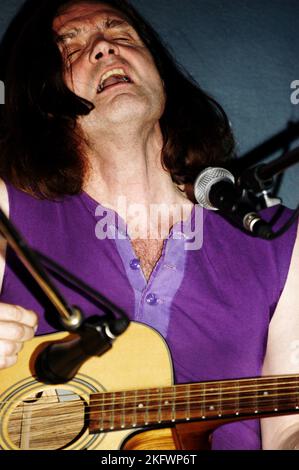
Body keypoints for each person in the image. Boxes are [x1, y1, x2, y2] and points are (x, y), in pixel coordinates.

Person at [0, 0, 298, 450]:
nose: (103, 46)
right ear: (42, 97)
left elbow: (288, 430)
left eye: (121, 34)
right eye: (71, 46)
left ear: (160, 76)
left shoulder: (277, 238)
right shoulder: (6, 211)